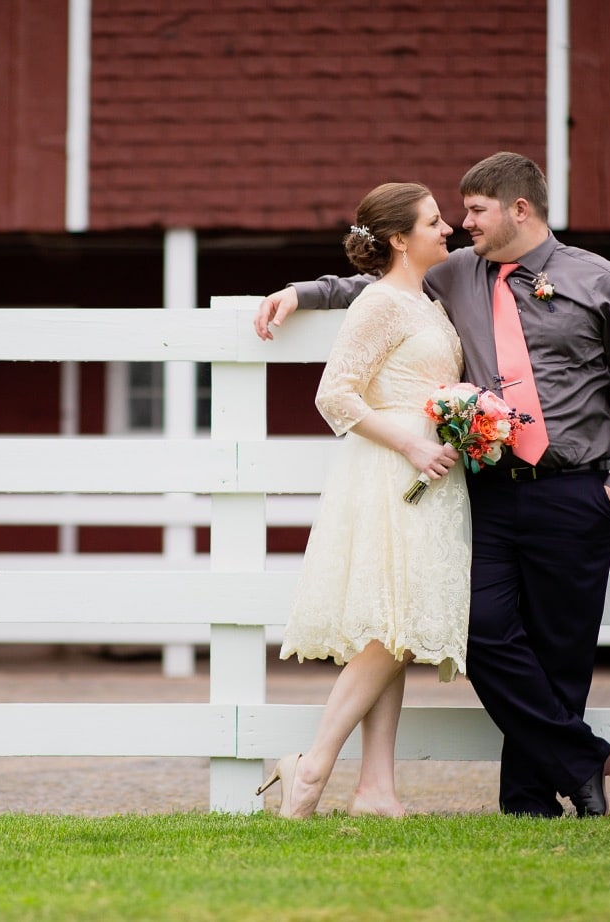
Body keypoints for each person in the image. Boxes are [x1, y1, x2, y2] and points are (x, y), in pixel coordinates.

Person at [255, 152, 610, 818]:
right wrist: (302, 292)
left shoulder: (601, 280)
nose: (460, 223)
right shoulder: (455, 277)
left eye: (473, 211)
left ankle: (534, 799)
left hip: (575, 488)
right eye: (450, 215)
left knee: (561, 648)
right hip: (490, 489)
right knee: (480, 632)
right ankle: (581, 757)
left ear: (519, 209)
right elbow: (376, 290)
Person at [256, 181, 471, 819]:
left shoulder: (428, 300)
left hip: (431, 476)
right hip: (391, 474)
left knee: (395, 630)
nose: (448, 230)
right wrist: (408, 440)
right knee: (392, 627)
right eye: (434, 222)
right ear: (400, 239)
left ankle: (376, 789)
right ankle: (310, 768)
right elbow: (336, 395)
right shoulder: (381, 303)